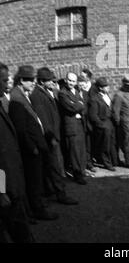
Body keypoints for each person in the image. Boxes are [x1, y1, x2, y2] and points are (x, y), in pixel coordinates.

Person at [9, 65, 58, 221]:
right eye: (29, 80)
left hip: (37, 145)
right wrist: (32, 147)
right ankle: (38, 210)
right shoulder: (16, 97)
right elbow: (21, 128)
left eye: (33, 79)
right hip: (32, 149)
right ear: (20, 80)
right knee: (34, 181)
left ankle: (37, 207)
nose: (32, 83)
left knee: (37, 178)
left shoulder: (23, 94)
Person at [30, 67, 78, 205]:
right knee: (55, 166)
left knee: (53, 165)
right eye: (49, 80)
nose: (52, 82)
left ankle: (51, 191)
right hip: (50, 137)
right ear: (41, 81)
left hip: (54, 135)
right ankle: (60, 194)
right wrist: (51, 138)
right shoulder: (37, 95)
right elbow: (44, 119)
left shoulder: (46, 91)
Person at [0, 62, 34, 243]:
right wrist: (0, 191)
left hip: (12, 182)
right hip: (6, 188)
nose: (7, 84)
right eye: (4, 80)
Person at [59, 72, 87, 185]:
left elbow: (83, 105)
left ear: (76, 82)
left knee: (81, 149)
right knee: (74, 151)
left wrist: (78, 105)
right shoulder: (62, 93)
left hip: (79, 124)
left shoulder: (76, 91)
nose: (71, 83)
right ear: (66, 80)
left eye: (73, 81)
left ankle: (82, 170)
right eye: (69, 80)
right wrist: (78, 105)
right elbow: (70, 108)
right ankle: (77, 175)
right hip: (71, 126)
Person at [88, 77, 118, 171]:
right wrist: (102, 126)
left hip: (110, 123)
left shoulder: (107, 95)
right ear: (100, 88)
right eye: (106, 86)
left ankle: (115, 161)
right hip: (103, 124)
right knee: (105, 145)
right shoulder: (94, 99)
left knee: (113, 143)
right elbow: (93, 116)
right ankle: (106, 163)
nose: (108, 88)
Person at [77, 75, 96, 173]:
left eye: (84, 86)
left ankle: (89, 163)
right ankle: (82, 164)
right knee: (81, 145)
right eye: (81, 85)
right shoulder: (74, 93)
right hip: (78, 124)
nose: (83, 87)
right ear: (78, 84)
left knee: (88, 145)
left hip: (87, 123)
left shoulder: (86, 94)